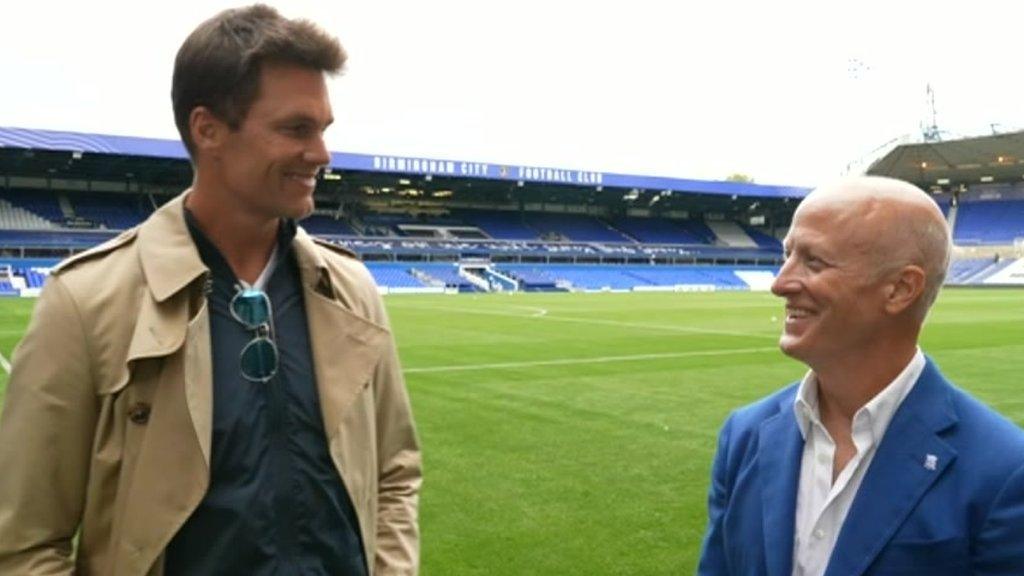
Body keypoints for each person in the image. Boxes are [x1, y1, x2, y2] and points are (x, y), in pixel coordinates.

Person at [0, 5, 421, 575]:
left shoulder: (350, 288)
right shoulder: (85, 302)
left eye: (323, 130)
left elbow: (395, 470)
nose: (322, 154)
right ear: (208, 130)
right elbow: (24, 545)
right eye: (296, 128)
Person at [697, 176, 1024, 575]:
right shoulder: (744, 436)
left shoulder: (1003, 470)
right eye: (786, 255)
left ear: (900, 289)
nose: (780, 283)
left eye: (813, 261)